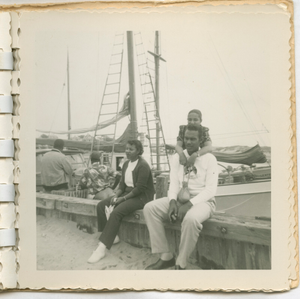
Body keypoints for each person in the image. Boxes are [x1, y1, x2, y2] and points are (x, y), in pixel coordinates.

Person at [144, 124, 218, 270]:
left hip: (204, 201)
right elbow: (174, 184)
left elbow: (210, 190)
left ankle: (181, 262)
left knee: (191, 219)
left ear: (200, 140)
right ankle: (166, 257)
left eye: (193, 139)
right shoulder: (177, 158)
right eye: (186, 138)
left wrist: (189, 205)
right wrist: (172, 201)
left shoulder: (209, 159)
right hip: (180, 199)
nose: (189, 142)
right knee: (149, 208)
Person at [87, 140, 155, 263]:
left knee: (116, 212)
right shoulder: (126, 164)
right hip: (127, 193)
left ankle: (101, 249)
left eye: (131, 149)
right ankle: (111, 238)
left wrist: (122, 199)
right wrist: (116, 195)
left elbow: (140, 188)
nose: (127, 151)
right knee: (102, 205)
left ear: (139, 151)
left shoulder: (143, 165)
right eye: (127, 148)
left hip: (141, 197)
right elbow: (122, 185)